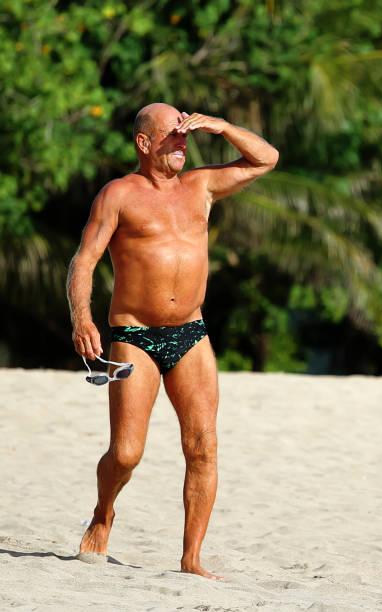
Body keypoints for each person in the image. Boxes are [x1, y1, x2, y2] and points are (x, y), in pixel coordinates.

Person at [67, 103, 279, 580]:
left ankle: (191, 557)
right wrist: (83, 318)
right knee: (126, 453)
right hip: (135, 334)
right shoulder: (119, 194)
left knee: (203, 445)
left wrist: (221, 126)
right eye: (171, 136)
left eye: (185, 135)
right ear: (144, 144)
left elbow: (266, 159)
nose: (182, 143)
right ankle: (103, 514)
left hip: (191, 332)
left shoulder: (200, 186)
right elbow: (83, 262)